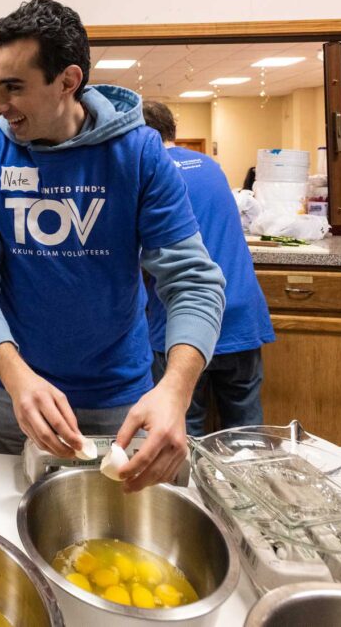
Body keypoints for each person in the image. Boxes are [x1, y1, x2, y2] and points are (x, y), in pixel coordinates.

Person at [0, 0, 226, 493]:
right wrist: (14, 375)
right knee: (15, 532)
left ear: (68, 81)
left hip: (118, 400)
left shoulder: (137, 154)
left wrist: (177, 392)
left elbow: (193, 282)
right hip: (16, 397)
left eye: (14, 87)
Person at [142, 101, 274, 436]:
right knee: (246, 432)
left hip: (180, 323)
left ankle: (187, 491)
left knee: (183, 430)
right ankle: (245, 489)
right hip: (240, 312)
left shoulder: (147, 172)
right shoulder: (211, 166)